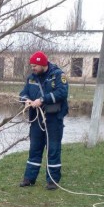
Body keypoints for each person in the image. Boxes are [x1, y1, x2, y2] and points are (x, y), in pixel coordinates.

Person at [18, 51, 69, 190]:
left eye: (35, 65)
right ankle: (29, 178)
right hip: (36, 120)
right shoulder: (31, 78)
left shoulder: (58, 75)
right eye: (32, 65)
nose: (33, 68)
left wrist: (42, 100)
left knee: (53, 150)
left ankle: (53, 180)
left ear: (42, 64)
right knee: (34, 149)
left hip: (53, 119)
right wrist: (26, 100)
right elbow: (22, 94)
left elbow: (62, 93)